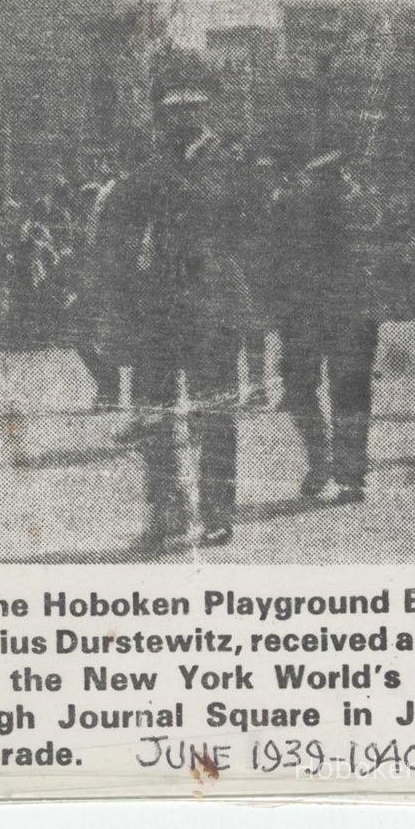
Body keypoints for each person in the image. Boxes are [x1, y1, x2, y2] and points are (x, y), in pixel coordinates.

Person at [114, 50, 254, 551]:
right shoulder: (151, 165)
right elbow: (124, 224)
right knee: (152, 409)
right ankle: (167, 509)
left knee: (215, 411)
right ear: (162, 113)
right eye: (174, 111)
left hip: (212, 298)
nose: (184, 119)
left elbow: (213, 209)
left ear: (207, 110)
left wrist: (155, 173)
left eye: (193, 109)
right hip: (159, 302)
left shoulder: (225, 161)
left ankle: (217, 511)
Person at [271, 147, 379, 502]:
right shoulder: (293, 206)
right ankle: (329, 464)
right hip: (313, 311)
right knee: (307, 389)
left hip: (340, 311)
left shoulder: (355, 205)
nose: (344, 181)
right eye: (334, 176)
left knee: (341, 390)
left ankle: (343, 471)